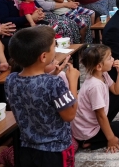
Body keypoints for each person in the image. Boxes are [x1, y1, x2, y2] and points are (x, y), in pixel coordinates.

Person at [5, 26, 80, 167]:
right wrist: (73, 82)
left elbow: (34, 87)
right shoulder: (54, 83)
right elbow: (70, 115)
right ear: (43, 56)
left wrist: (53, 75)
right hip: (55, 151)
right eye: (53, 47)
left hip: (27, 148)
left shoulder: (11, 79)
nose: (55, 50)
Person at [72, 44, 119, 152]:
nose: (113, 59)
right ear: (99, 66)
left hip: (94, 120)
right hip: (87, 132)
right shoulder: (95, 86)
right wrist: (111, 138)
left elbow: (116, 91)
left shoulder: (102, 74)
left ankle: (103, 130)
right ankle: (89, 142)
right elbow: (100, 115)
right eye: (109, 58)